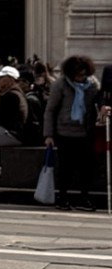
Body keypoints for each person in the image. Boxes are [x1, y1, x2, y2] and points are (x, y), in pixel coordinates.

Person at [43, 55, 99, 211]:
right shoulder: (60, 85)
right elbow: (50, 110)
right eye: (78, 75)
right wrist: (49, 135)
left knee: (87, 168)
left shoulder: (92, 84)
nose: (81, 78)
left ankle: (84, 197)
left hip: (85, 131)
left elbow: (98, 101)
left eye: (83, 74)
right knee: (66, 168)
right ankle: (62, 197)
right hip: (65, 132)